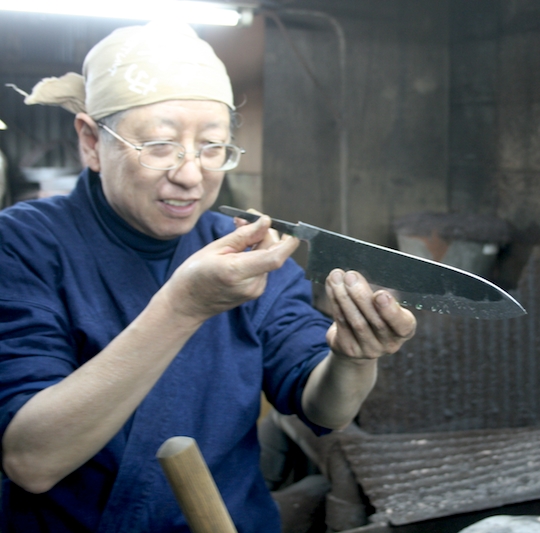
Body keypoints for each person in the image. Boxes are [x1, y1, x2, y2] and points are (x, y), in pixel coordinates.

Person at [0, 21, 416, 533]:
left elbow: (324, 409)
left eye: (213, 147)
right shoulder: (23, 245)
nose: (192, 176)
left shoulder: (243, 249)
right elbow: (31, 460)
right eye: (159, 145)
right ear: (90, 141)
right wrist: (183, 307)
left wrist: (353, 359)